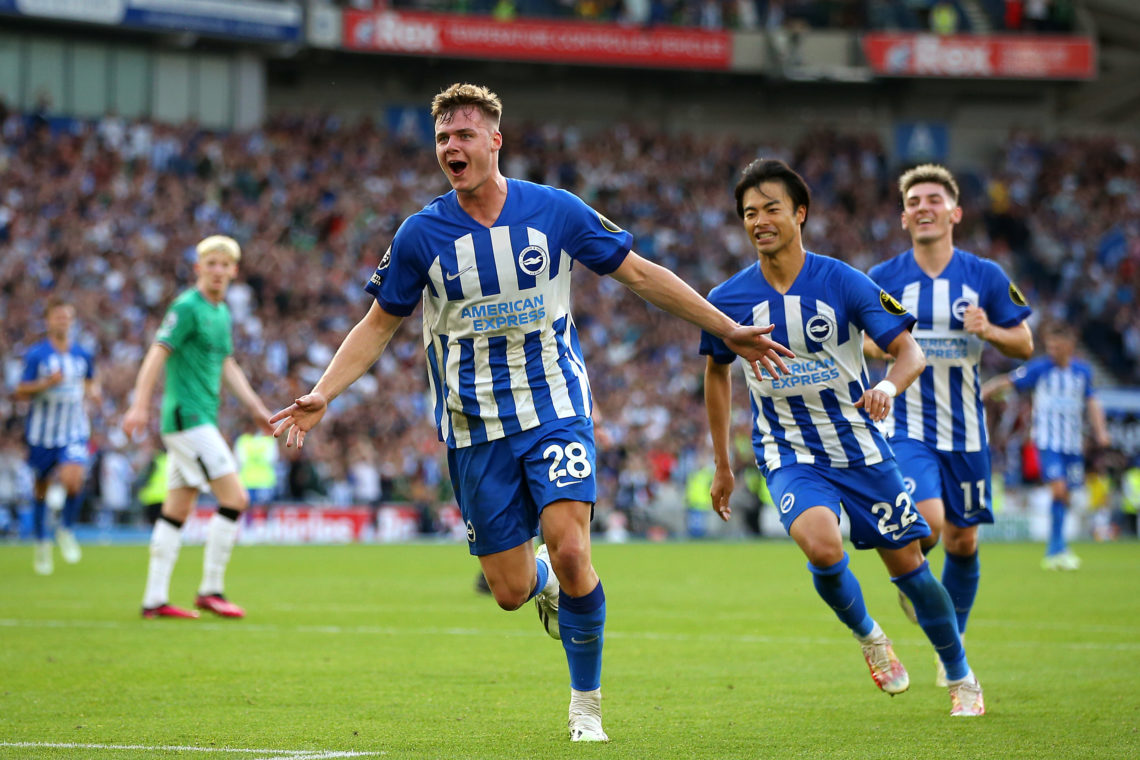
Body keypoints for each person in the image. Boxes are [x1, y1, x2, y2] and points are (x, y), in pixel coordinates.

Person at [269, 82, 795, 742]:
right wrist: (325, 390)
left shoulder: (554, 211)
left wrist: (727, 329)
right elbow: (379, 325)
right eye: (441, 138)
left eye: (463, 134)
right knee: (512, 589)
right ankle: (541, 580)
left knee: (574, 547)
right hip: (473, 428)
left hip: (555, 409)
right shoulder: (420, 235)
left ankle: (586, 707)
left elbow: (638, 273)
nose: (451, 147)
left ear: (495, 139)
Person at [701, 158, 984, 717]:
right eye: (750, 213)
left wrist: (889, 388)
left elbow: (911, 351)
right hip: (789, 453)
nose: (760, 220)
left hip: (860, 448)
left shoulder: (845, 280)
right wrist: (723, 464)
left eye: (772, 209)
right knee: (821, 544)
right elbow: (715, 372)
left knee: (909, 565)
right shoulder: (728, 298)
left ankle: (960, 674)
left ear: (800, 213)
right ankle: (871, 637)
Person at [866, 163, 1032, 685]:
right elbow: (861, 342)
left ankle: (949, 647)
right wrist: (889, 345)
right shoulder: (884, 278)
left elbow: (1024, 342)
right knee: (929, 523)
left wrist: (992, 332)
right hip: (908, 425)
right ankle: (913, 576)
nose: (924, 207)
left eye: (934, 199)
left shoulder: (983, 275)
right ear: (903, 217)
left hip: (967, 430)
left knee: (964, 542)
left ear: (955, 213)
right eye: (914, 201)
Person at [123, 235, 275, 619]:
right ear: (198, 268)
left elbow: (226, 364)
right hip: (187, 418)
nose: (219, 271)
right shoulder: (187, 306)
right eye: (212, 264)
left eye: (225, 265)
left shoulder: (221, 313)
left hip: (201, 418)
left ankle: (154, 600)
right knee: (236, 498)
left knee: (177, 508)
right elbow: (158, 350)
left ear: (234, 271)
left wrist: (257, 408)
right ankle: (210, 589)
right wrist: (139, 404)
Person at [981, 322, 1110, 569]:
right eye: (1050, 345)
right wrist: (982, 391)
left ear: (1070, 346)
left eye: (1057, 346)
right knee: (1059, 490)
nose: (1052, 350)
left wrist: (1101, 432)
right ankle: (1055, 549)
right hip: (1048, 442)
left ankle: (1059, 547)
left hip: (1072, 445)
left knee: (1067, 496)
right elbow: (1008, 381)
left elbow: (1092, 402)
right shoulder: (1040, 369)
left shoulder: (1082, 372)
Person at [15, 296, 100, 575]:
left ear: (72, 321)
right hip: (42, 434)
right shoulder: (37, 355)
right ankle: (41, 544)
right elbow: (20, 390)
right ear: (49, 321)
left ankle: (65, 528)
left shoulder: (82, 355)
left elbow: (89, 381)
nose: (63, 321)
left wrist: (94, 392)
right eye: (58, 317)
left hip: (74, 430)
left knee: (73, 479)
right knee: (41, 489)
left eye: (67, 317)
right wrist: (45, 384)